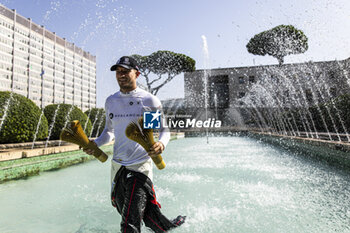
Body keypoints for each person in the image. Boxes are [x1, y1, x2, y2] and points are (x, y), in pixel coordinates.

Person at [83, 56, 185, 233]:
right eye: (118, 72)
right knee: (137, 213)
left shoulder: (148, 101)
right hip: (118, 167)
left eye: (125, 71)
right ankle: (168, 226)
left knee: (130, 222)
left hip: (140, 167)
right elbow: (109, 132)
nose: (121, 75)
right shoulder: (111, 101)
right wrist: (96, 143)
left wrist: (161, 144)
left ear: (136, 74)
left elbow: (161, 130)